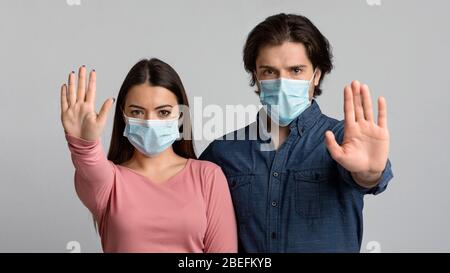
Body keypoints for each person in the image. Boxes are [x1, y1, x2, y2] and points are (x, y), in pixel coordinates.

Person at [200, 13, 394, 252]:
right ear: (255, 76)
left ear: (317, 75)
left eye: (296, 70)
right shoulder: (224, 151)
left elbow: (368, 178)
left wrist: (369, 173)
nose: (282, 82)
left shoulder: (343, 139)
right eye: (269, 71)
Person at [60, 58, 237, 253]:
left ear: (180, 115)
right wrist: (84, 142)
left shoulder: (207, 176)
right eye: (137, 111)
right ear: (123, 115)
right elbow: (90, 164)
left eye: (163, 112)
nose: (150, 122)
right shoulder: (109, 183)